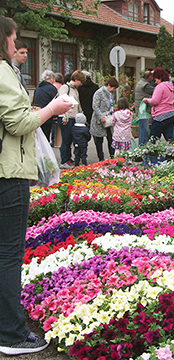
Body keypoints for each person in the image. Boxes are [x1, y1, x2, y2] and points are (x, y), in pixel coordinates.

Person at [0, 16, 72, 355]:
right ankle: (11, 335)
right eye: (14, 41)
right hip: (7, 173)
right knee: (8, 254)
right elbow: (18, 124)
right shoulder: (2, 72)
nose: (16, 48)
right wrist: (52, 108)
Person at [57, 69, 85, 169]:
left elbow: (78, 104)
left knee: (70, 140)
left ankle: (68, 159)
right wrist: (64, 116)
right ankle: (64, 160)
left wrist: (81, 115)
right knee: (66, 140)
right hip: (66, 118)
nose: (81, 84)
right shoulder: (65, 88)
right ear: (76, 79)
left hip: (73, 117)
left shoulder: (75, 89)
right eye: (80, 82)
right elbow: (61, 101)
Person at [143, 67, 174, 142]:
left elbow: (155, 101)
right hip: (171, 114)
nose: (155, 82)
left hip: (160, 116)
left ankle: (153, 153)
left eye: (156, 79)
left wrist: (147, 100)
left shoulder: (160, 87)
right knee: (169, 137)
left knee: (153, 139)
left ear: (160, 78)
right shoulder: (170, 86)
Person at [90, 76, 119, 161]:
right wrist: (101, 117)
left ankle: (112, 157)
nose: (114, 90)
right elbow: (95, 106)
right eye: (113, 88)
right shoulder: (99, 93)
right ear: (109, 85)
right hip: (99, 120)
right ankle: (101, 158)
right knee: (98, 140)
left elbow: (111, 105)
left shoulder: (110, 94)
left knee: (111, 138)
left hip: (108, 119)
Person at [32, 70, 58, 141]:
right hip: (47, 115)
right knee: (45, 138)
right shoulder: (51, 88)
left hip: (38, 114)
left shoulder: (38, 87)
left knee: (38, 138)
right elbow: (56, 101)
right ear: (51, 78)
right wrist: (55, 115)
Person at [134, 70, 154, 147]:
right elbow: (155, 91)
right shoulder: (145, 85)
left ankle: (142, 147)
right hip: (143, 110)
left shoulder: (140, 83)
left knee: (143, 129)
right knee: (144, 130)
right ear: (149, 77)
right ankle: (142, 148)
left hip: (140, 109)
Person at [50, 72, 63, 146]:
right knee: (55, 126)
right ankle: (56, 140)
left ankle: (53, 140)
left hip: (52, 108)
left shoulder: (53, 87)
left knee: (52, 126)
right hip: (58, 109)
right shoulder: (62, 87)